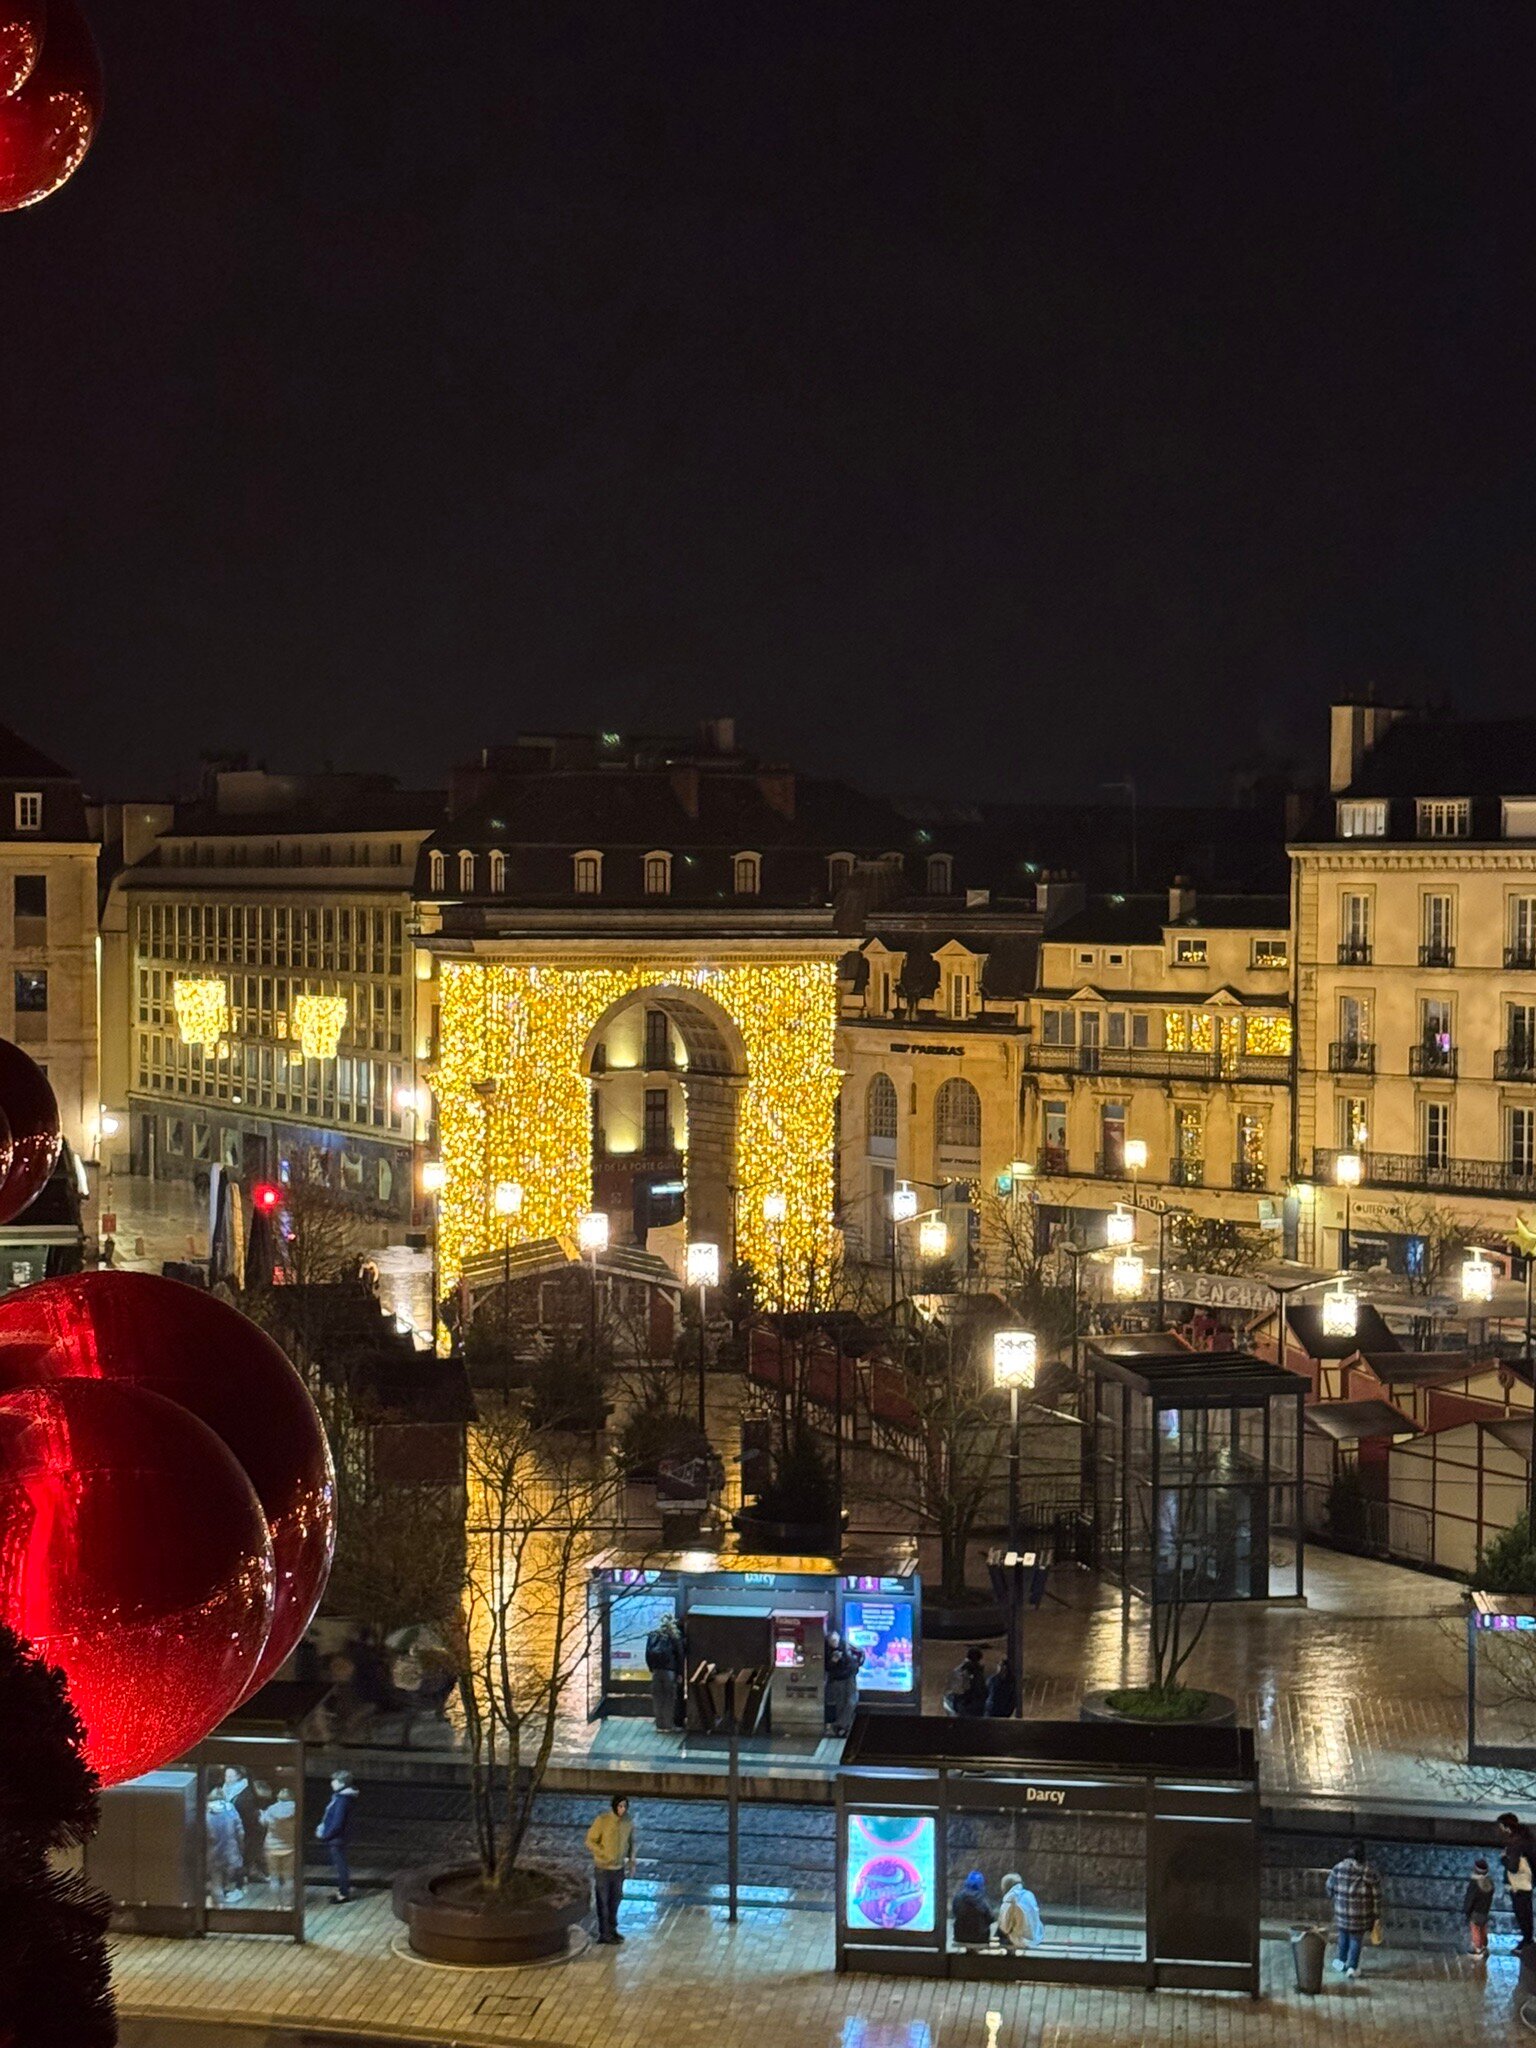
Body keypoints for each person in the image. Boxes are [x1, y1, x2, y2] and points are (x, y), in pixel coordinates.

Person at [585, 1793, 637, 1945]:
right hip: (603, 1868)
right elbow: (590, 1841)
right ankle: (604, 1933)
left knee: (616, 1900)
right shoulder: (603, 1821)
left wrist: (631, 1860)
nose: (622, 1810)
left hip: (618, 1868)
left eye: (625, 1807)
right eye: (620, 1806)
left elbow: (631, 1841)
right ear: (614, 1806)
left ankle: (612, 1929)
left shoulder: (628, 1822)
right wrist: (603, 1854)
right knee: (603, 1901)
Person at [1325, 1838, 1381, 1977]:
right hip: (1361, 1914)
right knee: (1356, 1940)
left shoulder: (1339, 1867)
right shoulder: (1369, 1871)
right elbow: (1376, 1895)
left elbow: (1329, 1886)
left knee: (1342, 1938)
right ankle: (1352, 1968)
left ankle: (1340, 1963)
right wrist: (1376, 1914)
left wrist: (1335, 1898)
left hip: (1342, 1912)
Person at [315, 1768, 359, 1903]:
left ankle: (344, 1893)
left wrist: (326, 1835)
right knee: (341, 1864)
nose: (332, 1783)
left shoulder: (342, 1800)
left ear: (341, 1783)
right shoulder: (344, 1798)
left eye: (335, 1781)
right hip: (340, 1836)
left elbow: (337, 1822)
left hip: (337, 1838)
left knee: (340, 1865)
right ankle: (343, 1889)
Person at [1499, 1813, 1536, 1948]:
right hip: (1529, 1881)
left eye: (1501, 1826)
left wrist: (1503, 1858)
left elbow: (1513, 1867)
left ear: (1506, 1826)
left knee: (1521, 1913)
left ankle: (1527, 1942)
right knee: (1527, 1912)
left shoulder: (1515, 1842)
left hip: (1519, 1885)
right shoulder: (1528, 1838)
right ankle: (1528, 1939)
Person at [204, 1785, 245, 1905]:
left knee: (216, 1882)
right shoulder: (231, 1809)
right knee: (226, 1880)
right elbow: (240, 1832)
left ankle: (218, 1908)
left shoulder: (205, 1811)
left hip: (213, 1852)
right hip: (231, 1852)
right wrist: (241, 1848)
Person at [645, 1616, 686, 1733]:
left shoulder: (653, 1636)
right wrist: (680, 1673)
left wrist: (651, 1668)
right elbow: (680, 1656)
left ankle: (659, 1725)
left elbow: (647, 1653)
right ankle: (668, 1726)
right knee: (669, 1699)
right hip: (670, 1671)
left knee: (658, 1698)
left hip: (656, 1671)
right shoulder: (675, 1637)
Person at [261, 1782, 297, 1904]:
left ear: (278, 1797)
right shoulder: (296, 1810)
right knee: (288, 1878)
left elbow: (263, 1822)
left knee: (274, 1878)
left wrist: (262, 1815)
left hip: (271, 1847)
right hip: (290, 1847)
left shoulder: (271, 1809)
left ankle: (275, 1903)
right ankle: (288, 1903)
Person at [824, 1630, 864, 1737]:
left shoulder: (846, 1646)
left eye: (835, 1640)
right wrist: (833, 1661)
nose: (834, 1643)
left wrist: (857, 1663)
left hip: (849, 1676)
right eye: (832, 1641)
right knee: (841, 1703)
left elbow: (859, 1653)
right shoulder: (828, 1651)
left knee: (852, 1701)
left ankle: (839, 1725)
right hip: (838, 1678)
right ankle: (843, 1728)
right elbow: (827, 1667)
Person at [997, 1870, 1044, 1950]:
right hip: (1036, 1936)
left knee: (1000, 1931)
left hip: (1021, 1940)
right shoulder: (1029, 1895)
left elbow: (1005, 1928)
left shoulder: (1009, 1901)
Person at [951, 1868, 993, 1948]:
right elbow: (991, 1918)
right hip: (980, 1937)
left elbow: (955, 1913)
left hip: (960, 1936)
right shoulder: (981, 1898)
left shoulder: (958, 1897)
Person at [1463, 1855, 1495, 1958]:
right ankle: (1484, 1945)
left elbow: (1470, 1899)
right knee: (1483, 1928)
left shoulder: (1474, 1884)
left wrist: (1466, 1910)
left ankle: (1478, 1949)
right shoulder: (1489, 1882)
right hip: (1485, 1910)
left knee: (1475, 1929)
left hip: (1475, 1911)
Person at [945, 1647, 988, 1718]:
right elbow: (977, 1689)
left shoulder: (959, 1670)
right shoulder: (972, 1671)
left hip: (960, 1706)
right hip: (967, 1706)